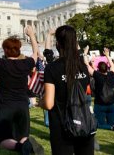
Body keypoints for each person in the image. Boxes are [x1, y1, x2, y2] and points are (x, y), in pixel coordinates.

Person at [0, 22, 44, 155]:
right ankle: (26, 144)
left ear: (5, 50)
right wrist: (31, 35)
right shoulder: (26, 63)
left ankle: (20, 147)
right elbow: (36, 52)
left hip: (5, 107)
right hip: (22, 106)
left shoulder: (1, 63)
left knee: (2, 140)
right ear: (18, 50)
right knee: (23, 135)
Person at [40, 25, 95, 155]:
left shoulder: (52, 68)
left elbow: (48, 103)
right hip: (83, 121)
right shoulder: (83, 66)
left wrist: (39, 102)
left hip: (62, 125)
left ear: (58, 44)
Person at [86, 48, 114, 132]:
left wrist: (85, 54)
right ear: (107, 68)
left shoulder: (97, 75)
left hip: (100, 103)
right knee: (111, 123)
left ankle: (112, 127)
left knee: (99, 124)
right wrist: (107, 55)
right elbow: (112, 65)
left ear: (98, 69)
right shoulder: (112, 75)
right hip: (111, 104)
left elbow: (87, 66)